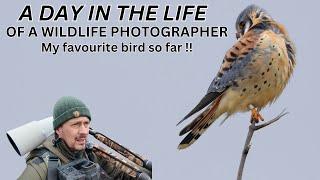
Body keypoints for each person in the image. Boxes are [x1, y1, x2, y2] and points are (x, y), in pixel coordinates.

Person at [18, 96, 138, 180]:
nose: (83, 132)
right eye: (75, 124)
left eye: (86, 123)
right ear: (59, 130)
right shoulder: (44, 165)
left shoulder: (92, 155)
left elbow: (123, 175)